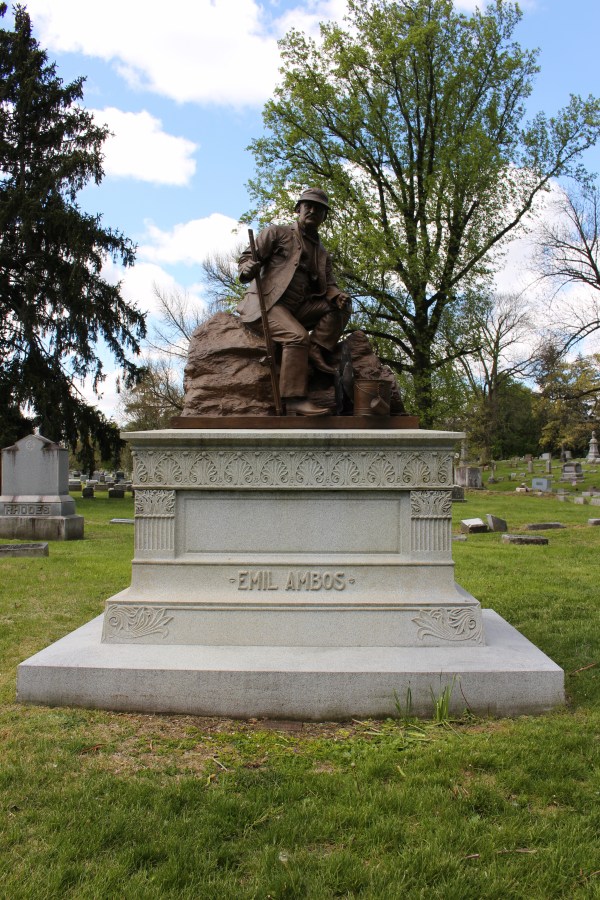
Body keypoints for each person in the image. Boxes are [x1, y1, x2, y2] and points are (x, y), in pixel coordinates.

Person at [237, 188, 351, 416]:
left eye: (319, 209)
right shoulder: (277, 233)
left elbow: (330, 285)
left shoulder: (322, 253)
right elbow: (248, 257)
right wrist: (247, 267)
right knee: (297, 336)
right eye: (308, 206)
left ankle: (316, 349)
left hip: (298, 309)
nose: (313, 211)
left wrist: (337, 295)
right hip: (268, 304)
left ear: (324, 216)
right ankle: (294, 399)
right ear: (298, 209)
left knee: (342, 306)